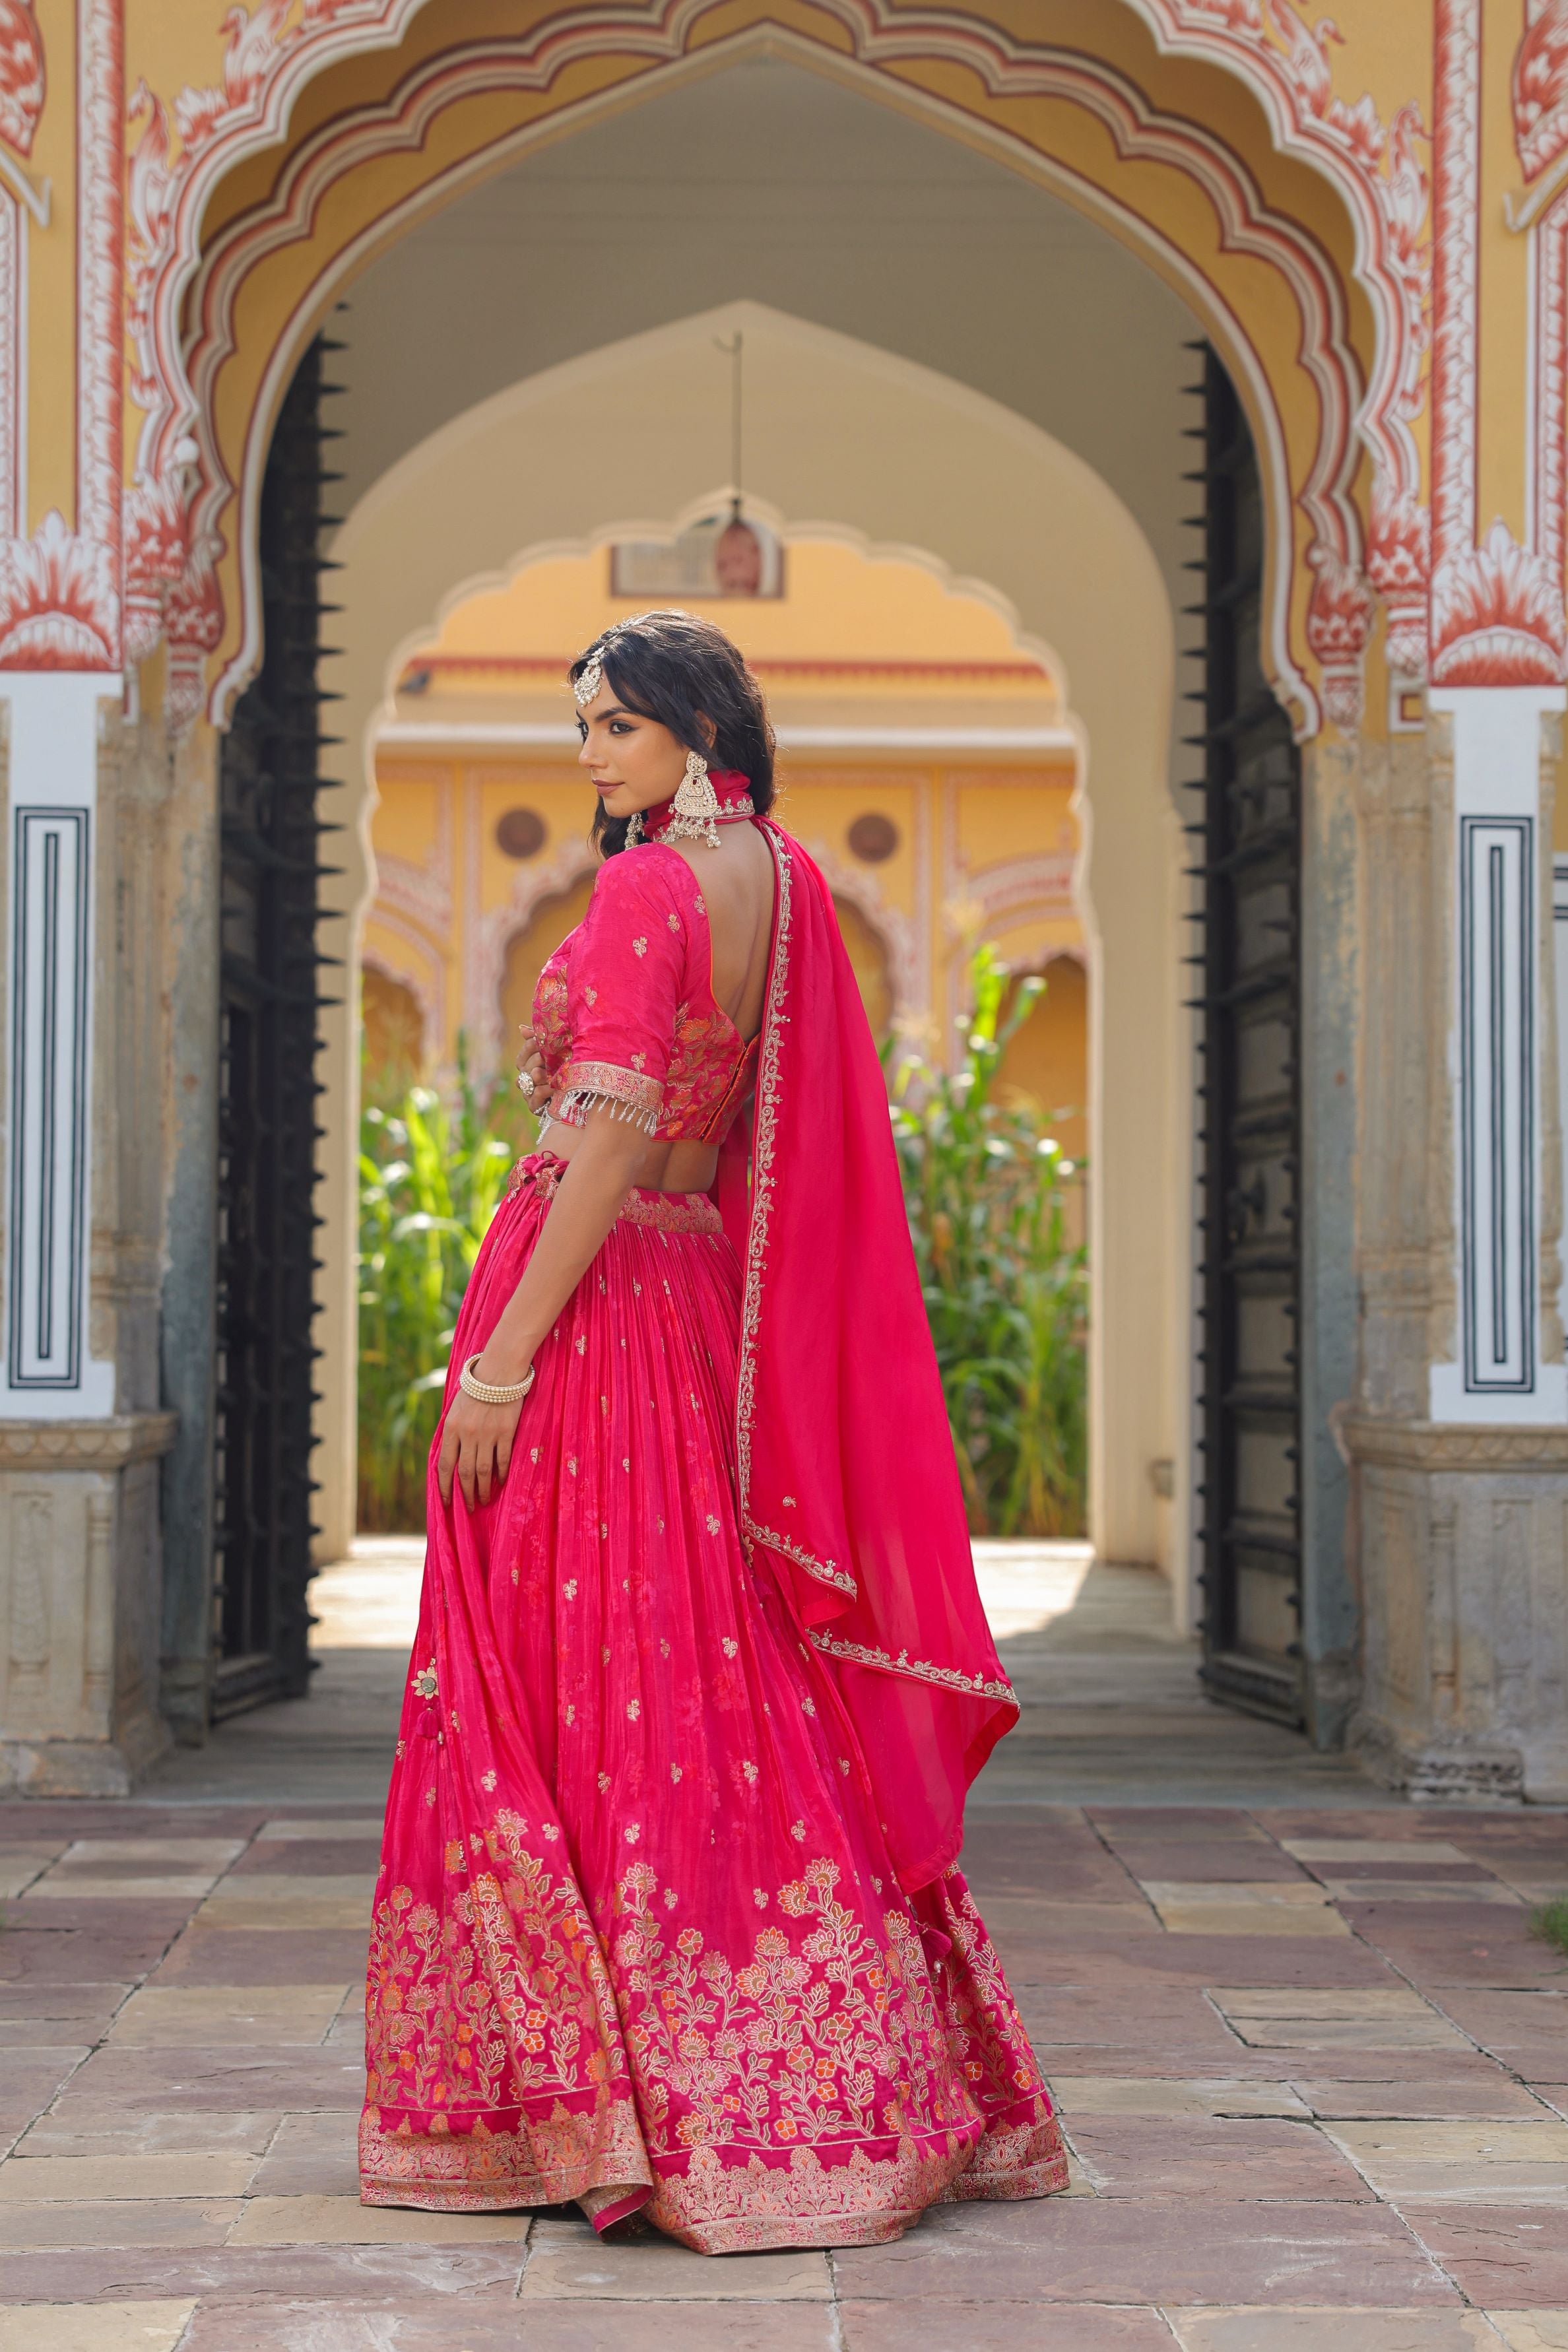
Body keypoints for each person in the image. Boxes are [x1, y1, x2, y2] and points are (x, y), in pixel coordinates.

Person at [359, 609, 1067, 2252]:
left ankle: (593, 2101)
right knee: (720, 1689)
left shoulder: (646, 886)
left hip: (598, 1320)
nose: (591, 755)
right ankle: (804, 2092)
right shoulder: (792, 885)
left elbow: (602, 1132)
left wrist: (503, 1362)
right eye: (582, 728)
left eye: (612, 725)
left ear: (690, 731)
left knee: (561, 1692)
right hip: (693, 1321)